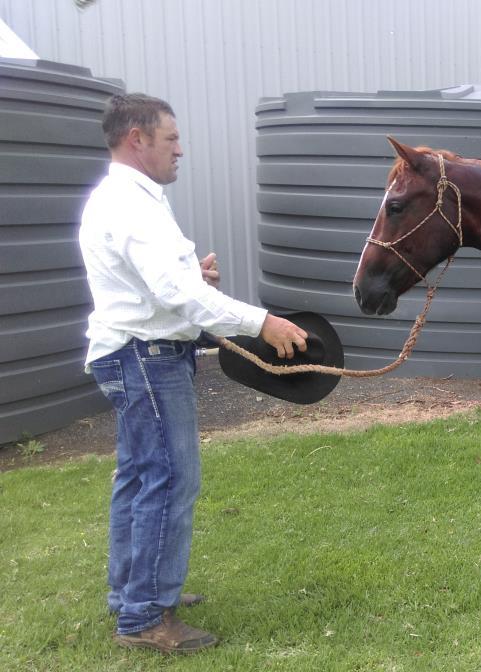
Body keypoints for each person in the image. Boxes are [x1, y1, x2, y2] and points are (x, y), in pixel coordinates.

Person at [79, 93, 308, 653]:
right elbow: (172, 293)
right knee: (168, 479)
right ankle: (145, 617)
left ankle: (132, 593)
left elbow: (160, 287)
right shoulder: (130, 204)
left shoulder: (127, 198)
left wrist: (191, 279)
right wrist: (262, 322)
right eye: (171, 138)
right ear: (136, 139)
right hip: (145, 358)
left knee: (139, 478)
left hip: (134, 352)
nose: (180, 150)